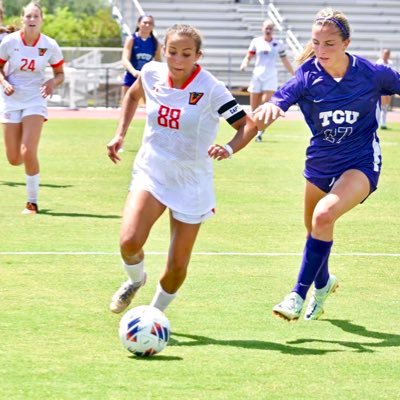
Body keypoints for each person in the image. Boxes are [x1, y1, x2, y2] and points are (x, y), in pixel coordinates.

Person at [254, 8, 400, 321]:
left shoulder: (372, 73)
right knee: (315, 229)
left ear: (346, 42)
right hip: (320, 162)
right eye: (316, 42)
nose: (321, 50)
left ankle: (296, 294)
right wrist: (271, 108)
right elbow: (281, 97)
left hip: (360, 161)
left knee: (323, 216)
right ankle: (323, 284)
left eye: (330, 43)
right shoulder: (308, 75)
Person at [107, 24, 257, 315]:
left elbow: (246, 125)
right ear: (163, 50)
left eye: (186, 54)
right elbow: (132, 95)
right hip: (152, 170)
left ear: (197, 56)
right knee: (129, 241)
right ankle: (135, 280)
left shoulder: (211, 88)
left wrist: (227, 148)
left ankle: (154, 314)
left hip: (191, 182)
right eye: (172, 52)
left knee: (177, 265)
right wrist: (120, 134)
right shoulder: (151, 73)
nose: (177, 60)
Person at [0, 1, 64, 214]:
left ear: (42, 19)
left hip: (35, 99)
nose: (32, 20)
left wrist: (51, 83)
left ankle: (32, 202)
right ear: (22, 19)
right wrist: (5, 82)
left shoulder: (50, 45)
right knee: (13, 158)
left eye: (36, 16)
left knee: (28, 151)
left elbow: (60, 74)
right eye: (28, 16)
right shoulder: (9, 42)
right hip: (11, 98)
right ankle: (25, 161)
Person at [240, 19, 294, 142]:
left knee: (264, 105)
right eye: (266, 28)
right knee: (254, 108)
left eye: (270, 28)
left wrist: (293, 73)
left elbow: (285, 60)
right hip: (257, 76)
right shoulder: (256, 42)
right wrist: (244, 64)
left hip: (271, 77)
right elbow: (249, 56)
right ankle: (252, 130)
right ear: (262, 28)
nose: (268, 30)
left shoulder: (278, 44)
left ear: (273, 30)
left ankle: (259, 132)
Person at [121, 14, 162, 99]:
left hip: (146, 77)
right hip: (131, 75)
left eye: (150, 23)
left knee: (148, 105)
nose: (147, 25)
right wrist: (134, 72)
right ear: (138, 24)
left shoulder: (155, 43)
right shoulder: (131, 39)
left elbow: (158, 62)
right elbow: (125, 59)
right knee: (127, 103)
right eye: (145, 22)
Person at [376, 48, 393, 129]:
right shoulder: (379, 62)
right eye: (385, 53)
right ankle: (379, 122)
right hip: (381, 85)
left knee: (386, 105)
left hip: (389, 86)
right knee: (381, 104)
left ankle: (384, 123)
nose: (386, 55)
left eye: (388, 54)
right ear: (382, 54)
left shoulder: (390, 63)